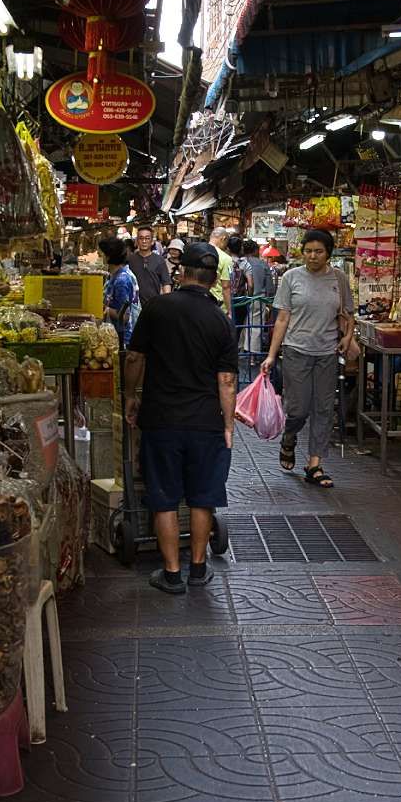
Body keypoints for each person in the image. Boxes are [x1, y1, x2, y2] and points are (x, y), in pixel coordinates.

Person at [125, 241, 237, 594]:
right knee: (203, 497)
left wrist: (130, 395)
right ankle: (198, 569)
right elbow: (227, 381)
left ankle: (172, 573)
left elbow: (134, 358)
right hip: (205, 421)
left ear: (182, 272)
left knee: (164, 497)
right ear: (213, 279)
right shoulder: (221, 320)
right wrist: (228, 424)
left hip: (161, 418)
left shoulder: (157, 308)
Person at [262, 228, 356, 488]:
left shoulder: (339, 279)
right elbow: (282, 318)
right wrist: (271, 356)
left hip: (327, 353)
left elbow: (348, 314)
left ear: (328, 254)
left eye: (319, 252)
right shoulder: (291, 277)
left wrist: (348, 337)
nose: (313, 256)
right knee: (298, 409)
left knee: (323, 409)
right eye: (308, 251)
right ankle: (289, 436)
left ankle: (315, 465)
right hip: (296, 351)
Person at [100, 236, 141, 345]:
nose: (100, 256)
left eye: (102, 253)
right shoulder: (116, 274)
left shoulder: (121, 280)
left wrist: (104, 308)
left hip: (123, 339)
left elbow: (124, 317)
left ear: (109, 256)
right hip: (116, 335)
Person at [132, 225, 171, 303]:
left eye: (147, 238)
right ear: (137, 241)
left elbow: (166, 283)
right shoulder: (130, 259)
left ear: (152, 241)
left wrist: (166, 302)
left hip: (154, 303)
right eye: (141, 238)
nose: (144, 241)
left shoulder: (159, 260)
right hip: (134, 305)